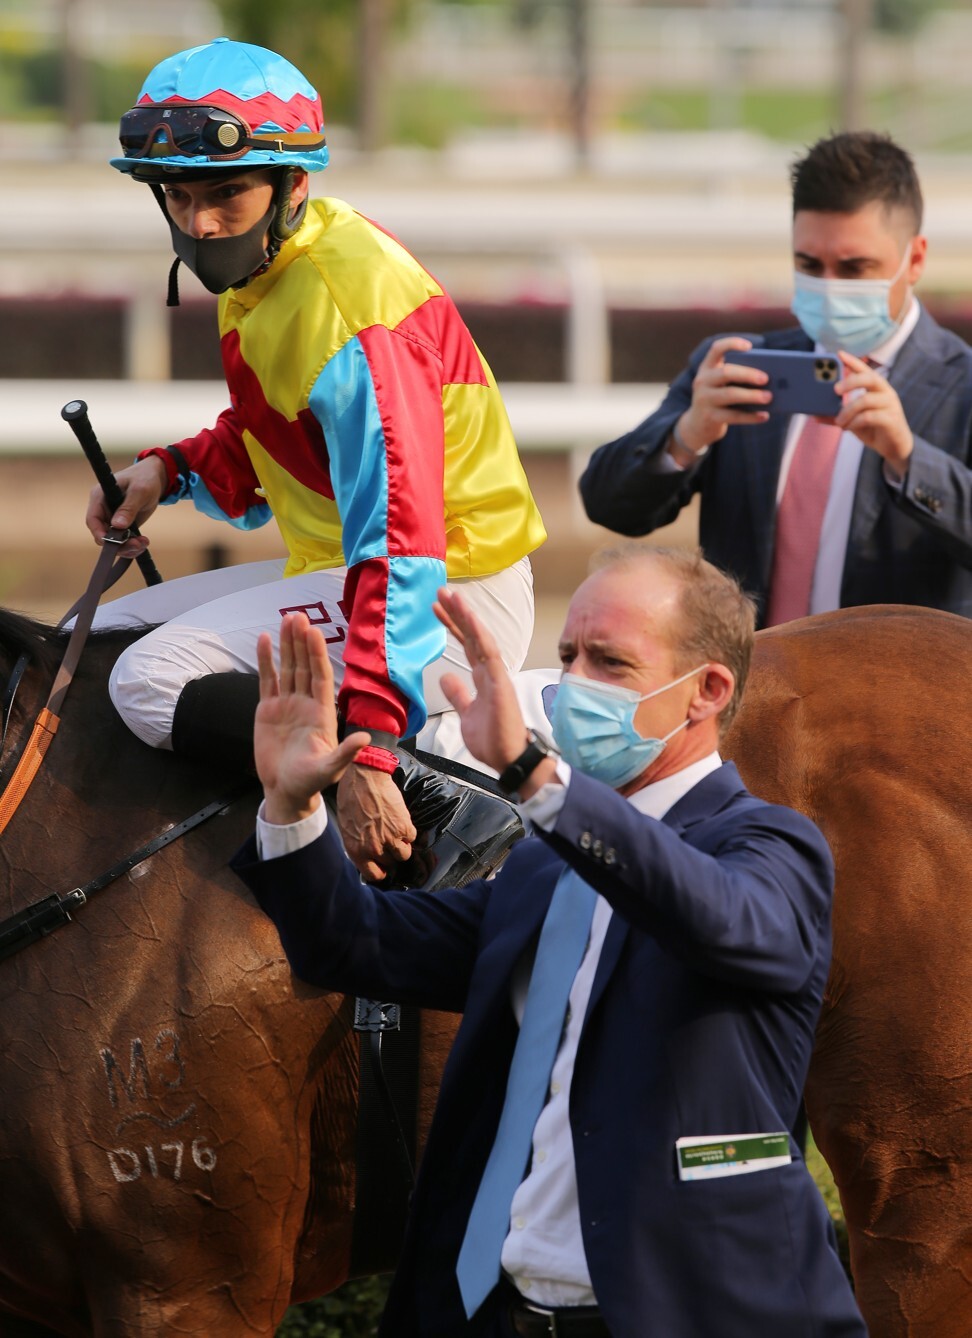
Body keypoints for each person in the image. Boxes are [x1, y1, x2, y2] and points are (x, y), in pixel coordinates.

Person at [232, 544, 867, 1338]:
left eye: (610, 661)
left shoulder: (771, 846)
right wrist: (291, 811)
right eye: (567, 657)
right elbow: (352, 944)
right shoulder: (540, 870)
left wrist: (536, 776)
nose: (572, 685)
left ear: (706, 691)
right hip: (505, 1313)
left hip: (699, 1312)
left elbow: (718, 919)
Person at [83, 37, 546, 882]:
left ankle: (438, 798)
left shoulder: (350, 306)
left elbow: (401, 543)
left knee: (146, 681)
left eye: (227, 193)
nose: (201, 225)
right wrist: (169, 471)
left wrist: (365, 750)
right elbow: (276, 429)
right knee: (92, 639)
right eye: (179, 198)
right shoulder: (272, 271)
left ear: (295, 185)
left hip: (444, 594)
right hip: (356, 571)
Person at [580, 130, 972, 627]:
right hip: (754, 691)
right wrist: (686, 437)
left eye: (855, 268)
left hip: (897, 694)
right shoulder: (742, 365)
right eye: (809, 265)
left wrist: (908, 458)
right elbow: (609, 504)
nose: (829, 286)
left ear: (914, 259)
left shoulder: (963, 387)